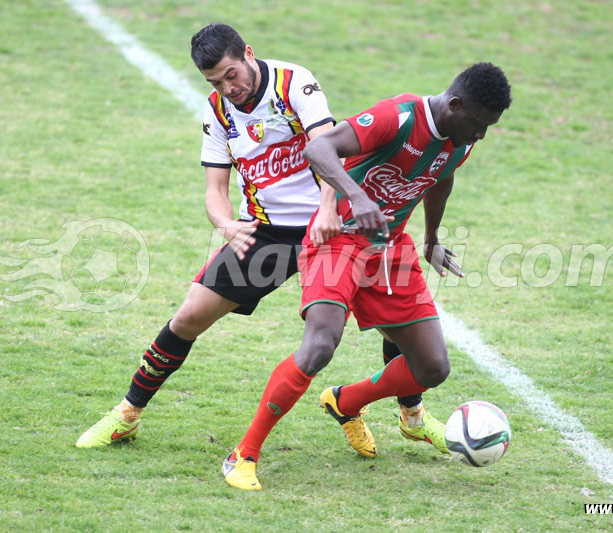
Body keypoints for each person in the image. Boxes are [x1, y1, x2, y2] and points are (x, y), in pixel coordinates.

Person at [75, 23, 446, 454]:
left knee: (395, 322)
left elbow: (327, 150)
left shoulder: (295, 84)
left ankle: (413, 417)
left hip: (332, 227)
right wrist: (226, 225)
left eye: (231, 74)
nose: (228, 88)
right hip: (265, 230)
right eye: (215, 81)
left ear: (248, 53)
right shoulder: (217, 112)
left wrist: (328, 209)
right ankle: (127, 415)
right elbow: (215, 190)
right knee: (189, 317)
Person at [222, 62, 512, 490]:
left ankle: (345, 402)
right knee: (320, 345)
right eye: (479, 123)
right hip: (337, 239)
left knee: (432, 367)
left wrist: (431, 238)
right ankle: (243, 455)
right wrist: (355, 197)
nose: (482, 134)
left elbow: (440, 178)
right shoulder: (396, 117)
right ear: (455, 105)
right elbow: (318, 150)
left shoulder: (460, 139)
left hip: (390, 248)